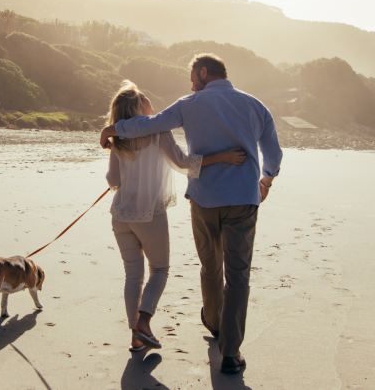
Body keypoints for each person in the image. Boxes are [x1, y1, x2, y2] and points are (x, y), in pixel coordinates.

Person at [100, 54, 283, 373]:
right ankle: (230, 351)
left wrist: (114, 128)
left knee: (210, 267)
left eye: (191, 77)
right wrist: (266, 179)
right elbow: (274, 154)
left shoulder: (188, 104)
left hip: (202, 199)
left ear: (202, 73)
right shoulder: (256, 105)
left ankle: (211, 322)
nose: (190, 83)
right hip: (243, 198)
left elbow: (149, 125)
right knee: (237, 274)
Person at [104, 80, 247, 352]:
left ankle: (136, 335)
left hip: (121, 216)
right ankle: (143, 323)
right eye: (144, 97)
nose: (150, 99)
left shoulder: (118, 139)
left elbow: (113, 180)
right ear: (138, 107)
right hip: (150, 215)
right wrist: (223, 157)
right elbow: (184, 164)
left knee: (132, 276)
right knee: (158, 270)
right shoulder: (158, 132)